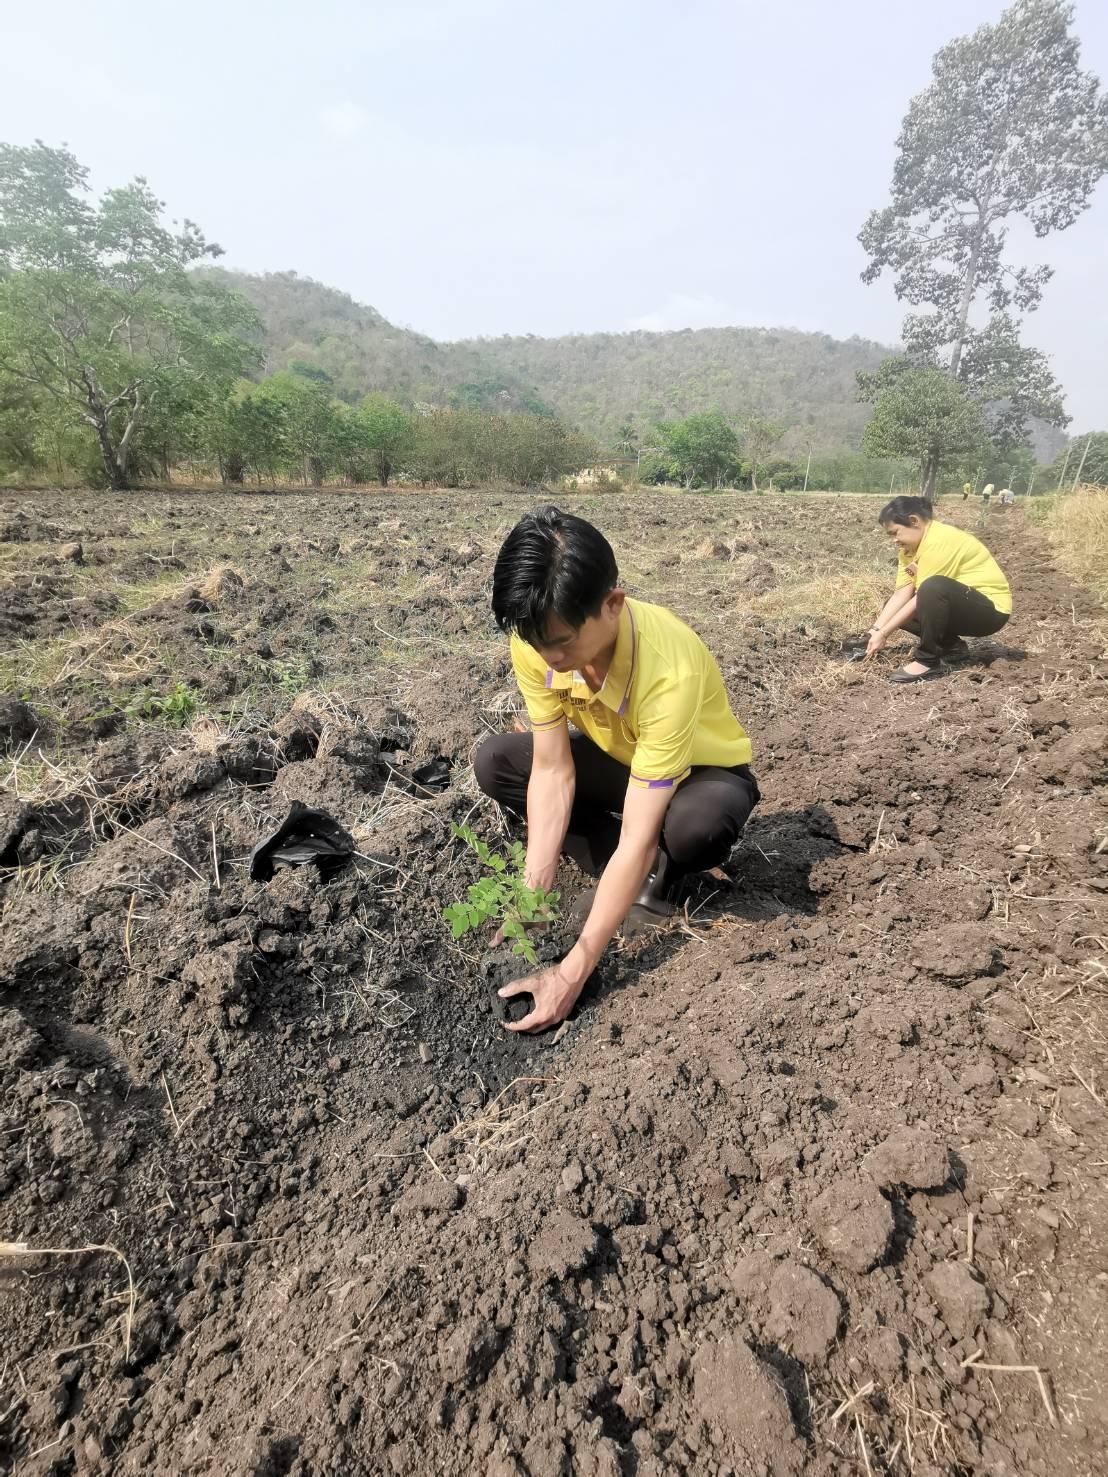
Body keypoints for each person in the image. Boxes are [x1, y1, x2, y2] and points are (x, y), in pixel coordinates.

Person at [474, 506, 759, 1033]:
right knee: (497, 762)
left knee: (693, 827)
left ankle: (666, 877)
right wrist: (534, 887)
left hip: (702, 775)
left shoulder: (668, 668)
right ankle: (628, 878)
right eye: (538, 644)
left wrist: (572, 972)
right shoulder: (536, 641)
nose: (549, 657)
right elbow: (553, 769)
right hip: (625, 759)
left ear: (612, 604)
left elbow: (636, 835)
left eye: (562, 642)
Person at [864, 495, 1011, 684]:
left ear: (913, 521)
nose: (894, 540)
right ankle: (953, 647)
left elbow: (924, 596)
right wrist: (874, 631)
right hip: (961, 607)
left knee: (932, 587)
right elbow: (902, 593)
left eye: (895, 533)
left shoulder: (940, 539)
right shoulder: (908, 551)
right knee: (895, 608)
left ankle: (928, 660)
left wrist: (884, 635)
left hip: (990, 612)